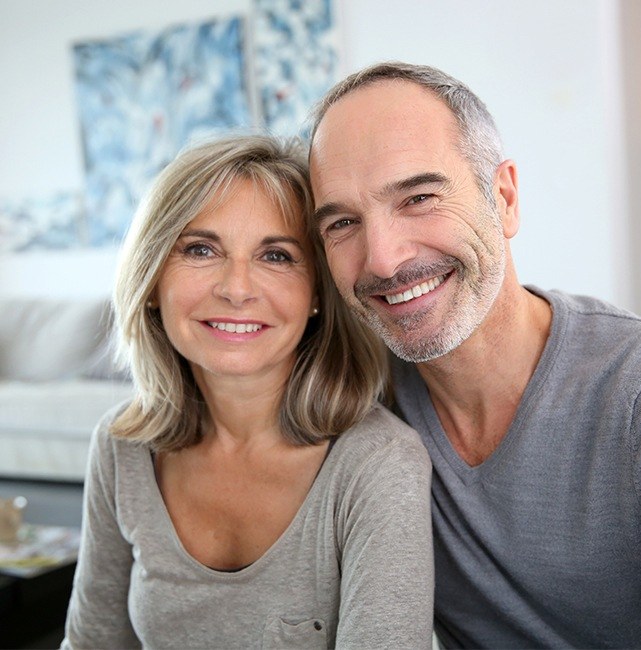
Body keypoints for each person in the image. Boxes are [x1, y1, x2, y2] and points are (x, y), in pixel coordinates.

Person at [308, 61, 641, 648]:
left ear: (503, 197)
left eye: (419, 197)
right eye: (343, 222)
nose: (382, 260)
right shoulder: (355, 403)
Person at [61, 135, 434, 649]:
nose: (236, 289)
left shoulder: (378, 463)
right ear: (151, 279)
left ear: (318, 296)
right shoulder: (122, 448)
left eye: (277, 256)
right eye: (200, 249)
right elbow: (90, 644)